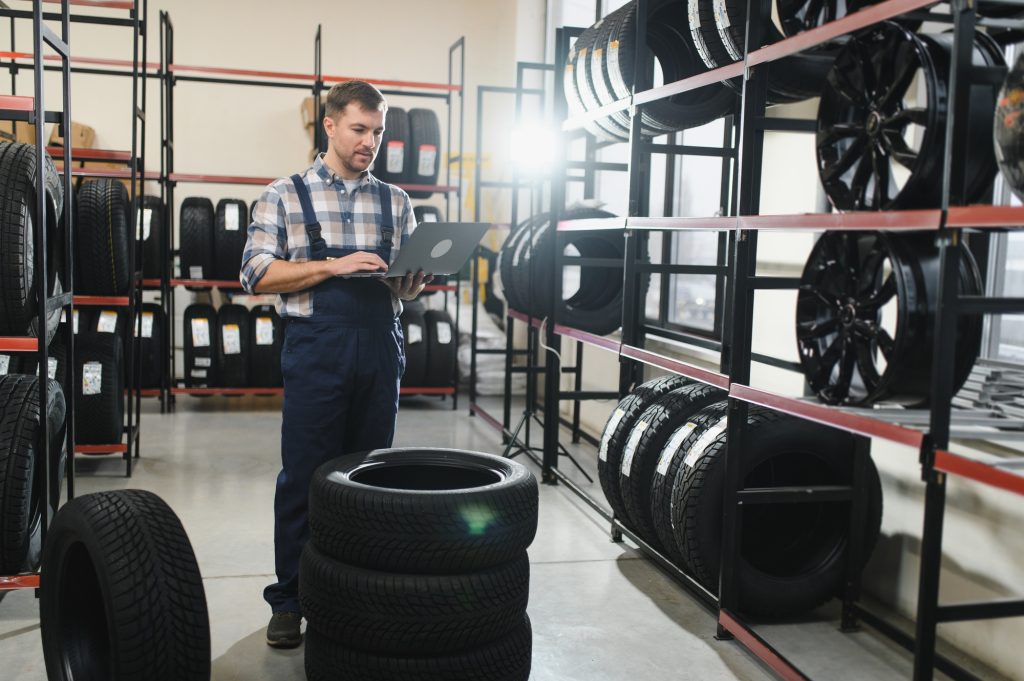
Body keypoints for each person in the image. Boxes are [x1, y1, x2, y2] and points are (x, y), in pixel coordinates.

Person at [240, 79, 429, 649]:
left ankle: (357, 593)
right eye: (359, 129)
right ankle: (291, 600)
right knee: (305, 477)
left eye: (378, 131)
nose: (371, 141)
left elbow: (407, 293)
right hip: (317, 349)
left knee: (369, 477)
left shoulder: (395, 201)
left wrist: (413, 282)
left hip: (379, 345)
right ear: (330, 125)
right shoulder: (284, 195)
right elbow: (254, 274)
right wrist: (333, 266)